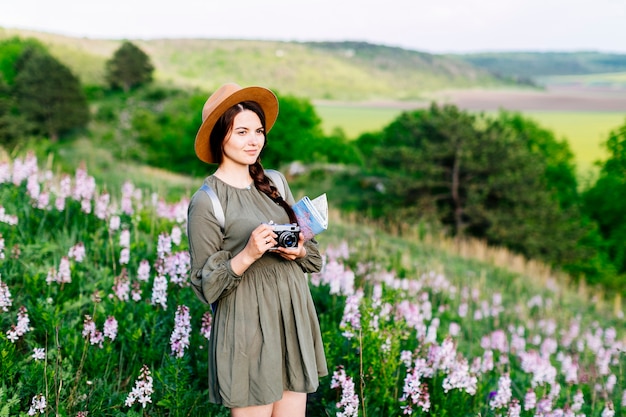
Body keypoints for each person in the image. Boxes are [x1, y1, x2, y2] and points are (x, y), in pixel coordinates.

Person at [187, 83, 328, 417]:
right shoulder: (206, 202)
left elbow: (314, 255)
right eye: (242, 132)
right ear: (220, 136)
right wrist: (248, 253)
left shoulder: (276, 182)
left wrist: (298, 251)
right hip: (246, 326)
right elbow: (204, 285)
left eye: (259, 131)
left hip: (292, 315)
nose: (254, 140)